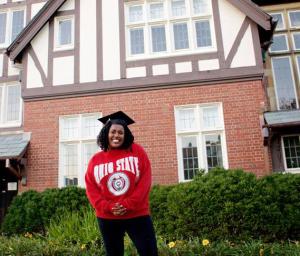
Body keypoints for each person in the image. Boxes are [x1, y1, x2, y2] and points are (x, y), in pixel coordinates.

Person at [85, 111, 158, 256]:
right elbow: (91, 187)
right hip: (107, 217)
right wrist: (108, 207)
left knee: (149, 252)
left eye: (120, 132)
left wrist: (128, 204)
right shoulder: (96, 159)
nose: (116, 136)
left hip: (137, 214)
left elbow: (145, 181)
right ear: (106, 133)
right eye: (113, 132)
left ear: (125, 135)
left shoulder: (137, 151)